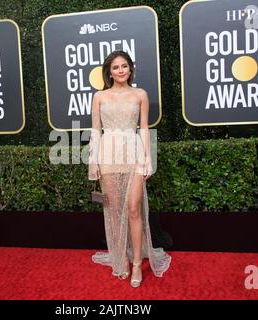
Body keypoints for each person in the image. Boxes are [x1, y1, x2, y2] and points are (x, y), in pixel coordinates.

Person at [88, 50, 171, 288]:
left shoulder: (140, 94)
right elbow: (96, 130)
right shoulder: (100, 96)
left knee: (134, 209)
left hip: (134, 153)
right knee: (115, 212)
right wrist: (93, 162)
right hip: (108, 154)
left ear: (130, 69)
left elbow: (144, 128)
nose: (121, 70)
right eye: (116, 67)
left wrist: (147, 159)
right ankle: (121, 258)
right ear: (109, 71)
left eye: (124, 66)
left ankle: (136, 261)